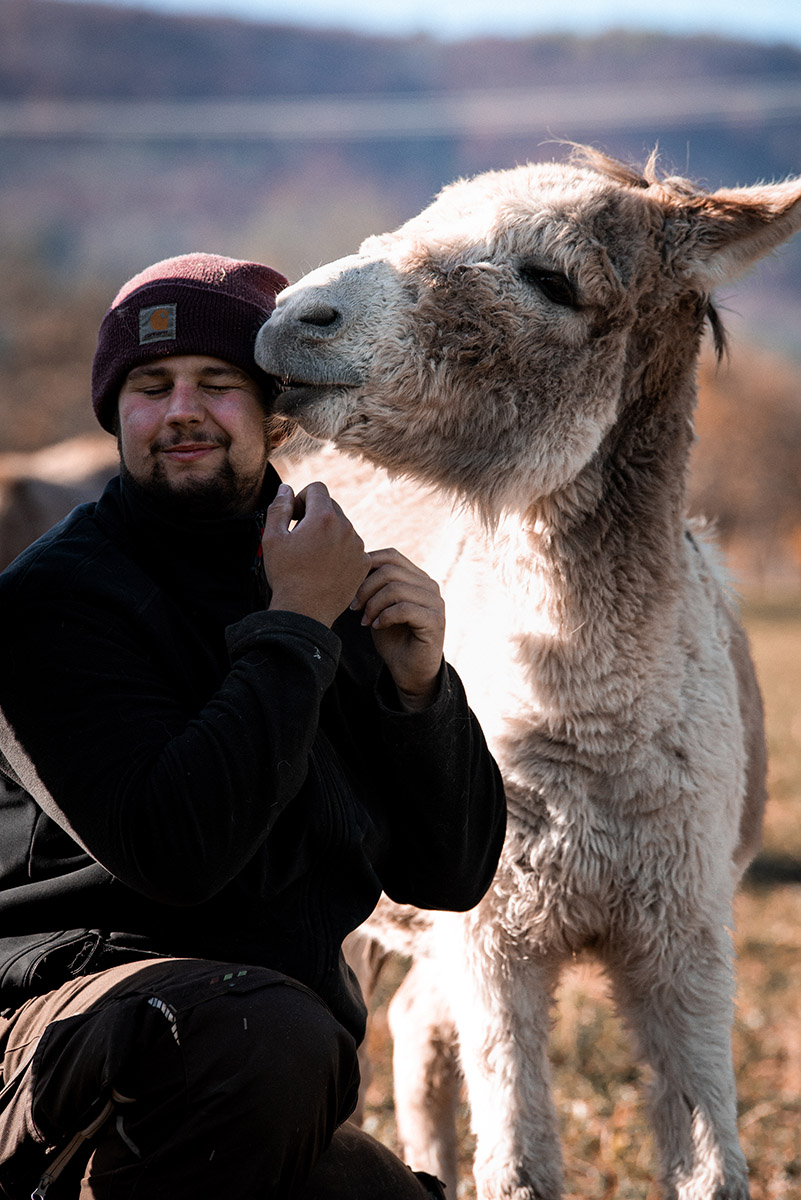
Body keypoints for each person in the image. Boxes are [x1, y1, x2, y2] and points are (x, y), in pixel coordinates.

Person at [0, 254, 506, 1199]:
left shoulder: (323, 571)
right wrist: (297, 628)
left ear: (277, 414)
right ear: (115, 415)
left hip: (267, 1067)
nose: (180, 410)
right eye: (150, 388)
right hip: (58, 1030)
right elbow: (177, 854)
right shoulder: (51, 605)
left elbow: (451, 873)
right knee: (249, 1031)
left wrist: (418, 693)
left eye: (218, 385)